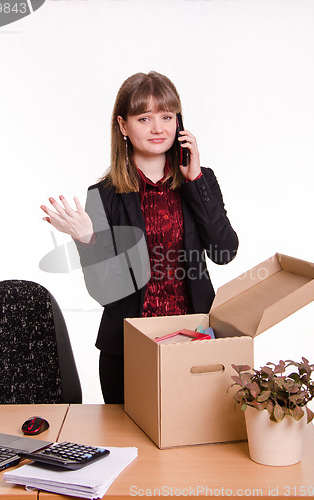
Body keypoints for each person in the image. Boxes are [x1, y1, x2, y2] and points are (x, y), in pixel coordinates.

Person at [41, 71, 238, 404]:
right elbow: (106, 292)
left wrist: (195, 182)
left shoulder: (201, 181)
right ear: (123, 126)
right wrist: (88, 239)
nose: (158, 128)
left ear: (179, 123)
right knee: (134, 450)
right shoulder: (103, 196)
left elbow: (224, 252)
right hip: (128, 350)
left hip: (194, 344)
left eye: (166, 116)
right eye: (144, 118)